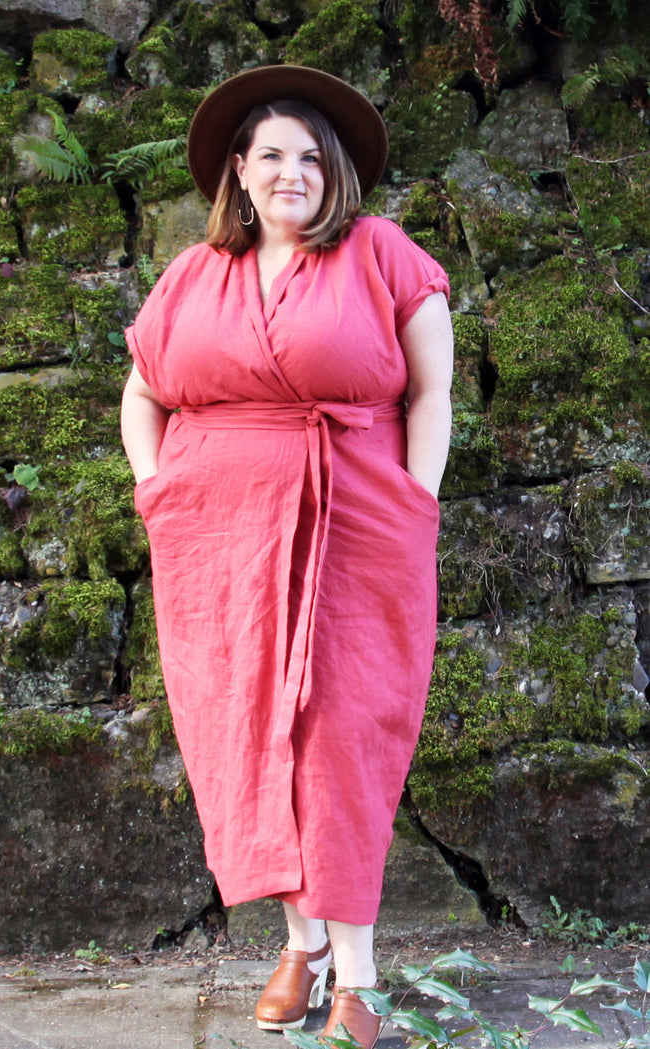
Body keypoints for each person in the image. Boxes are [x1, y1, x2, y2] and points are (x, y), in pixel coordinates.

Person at [120, 64, 453, 1048]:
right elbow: (142, 394)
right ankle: (300, 945)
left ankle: (357, 974)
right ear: (240, 168)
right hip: (216, 544)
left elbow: (430, 391)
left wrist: (416, 501)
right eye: (271, 155)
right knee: (247, 733)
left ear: (334, 170)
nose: (291, 173)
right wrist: (158, 493)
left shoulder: (380, 254)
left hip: (357, 531)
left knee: (341, 737)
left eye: (311, 157)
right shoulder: (194, 274)